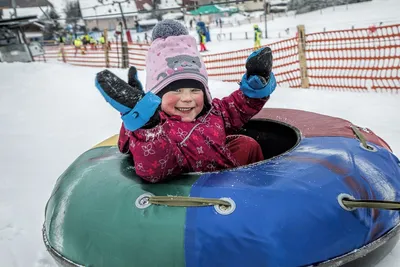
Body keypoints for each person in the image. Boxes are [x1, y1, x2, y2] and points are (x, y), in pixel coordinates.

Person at [95, 20, 276, 183]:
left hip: (233, 181)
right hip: (197, 194)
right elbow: (154, 168)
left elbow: (238, 106)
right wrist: (146, 123)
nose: (187, 98)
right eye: (176, 90)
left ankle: (259, 188)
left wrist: (256, 86)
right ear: (156, 95)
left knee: (246, 144)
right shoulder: (159, 128)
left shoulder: (212, 112)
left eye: (195, 90)